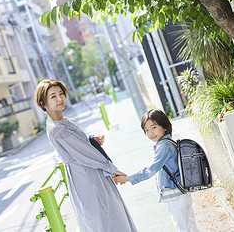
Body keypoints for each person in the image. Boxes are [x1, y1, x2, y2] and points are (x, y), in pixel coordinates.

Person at [34, 78, 137, 232]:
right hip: (87, 176)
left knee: (107, 217)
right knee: (108, 219)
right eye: (53, 96)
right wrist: (112, 169)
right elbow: (85, 154)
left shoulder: (59, 122)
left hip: (86, 174)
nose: (60, 99)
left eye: (61, 93)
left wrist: (89, 140)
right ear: (43, 103)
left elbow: (77, 146)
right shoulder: (57, 128)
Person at [114, 109, 199, 232]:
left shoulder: (164, 146)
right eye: (146, 130)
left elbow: (151, 169)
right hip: (182, 191)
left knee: (182, 227)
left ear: (164, 126)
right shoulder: (169, 142)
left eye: (153, 127)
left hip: (175, 193)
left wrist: (128, 178)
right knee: (190, 224)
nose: (150, 133)